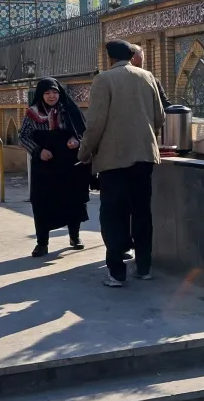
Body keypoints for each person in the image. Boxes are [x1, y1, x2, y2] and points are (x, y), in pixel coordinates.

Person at [80, 40, 166, 288]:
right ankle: (144, 267)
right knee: (141, 211)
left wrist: (85, 152)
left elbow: (95, 123)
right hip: (144, 157)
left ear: (108, 58)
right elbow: (159, 117)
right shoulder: (147, 77)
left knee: (114, 214)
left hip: (113, 159)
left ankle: (117, 272)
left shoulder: (103, 80)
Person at [17, 78, 89, 255]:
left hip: (69, 165)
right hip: (45, 166)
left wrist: (76, 140)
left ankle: (75, 236)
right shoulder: (32, 113)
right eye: (47, 93)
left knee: (73, 200)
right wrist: (37, 151)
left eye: (55, 92)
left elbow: (83, 131)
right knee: (43, 203)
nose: (52, 96)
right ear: (41, 95)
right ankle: (42, 242)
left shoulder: (69, 110)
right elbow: (22, 137)